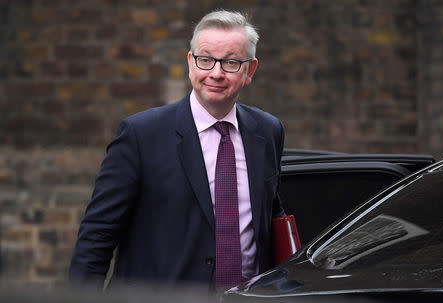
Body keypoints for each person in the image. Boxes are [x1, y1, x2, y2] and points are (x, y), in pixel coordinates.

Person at [69, 9, 285, 291]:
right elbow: (98, 235)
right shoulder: (141, 135)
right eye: (206, 60)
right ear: (190, 63)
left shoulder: (268, 131)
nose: (216, 73)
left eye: (231, 62)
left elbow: (271, 217)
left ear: (249, 70)